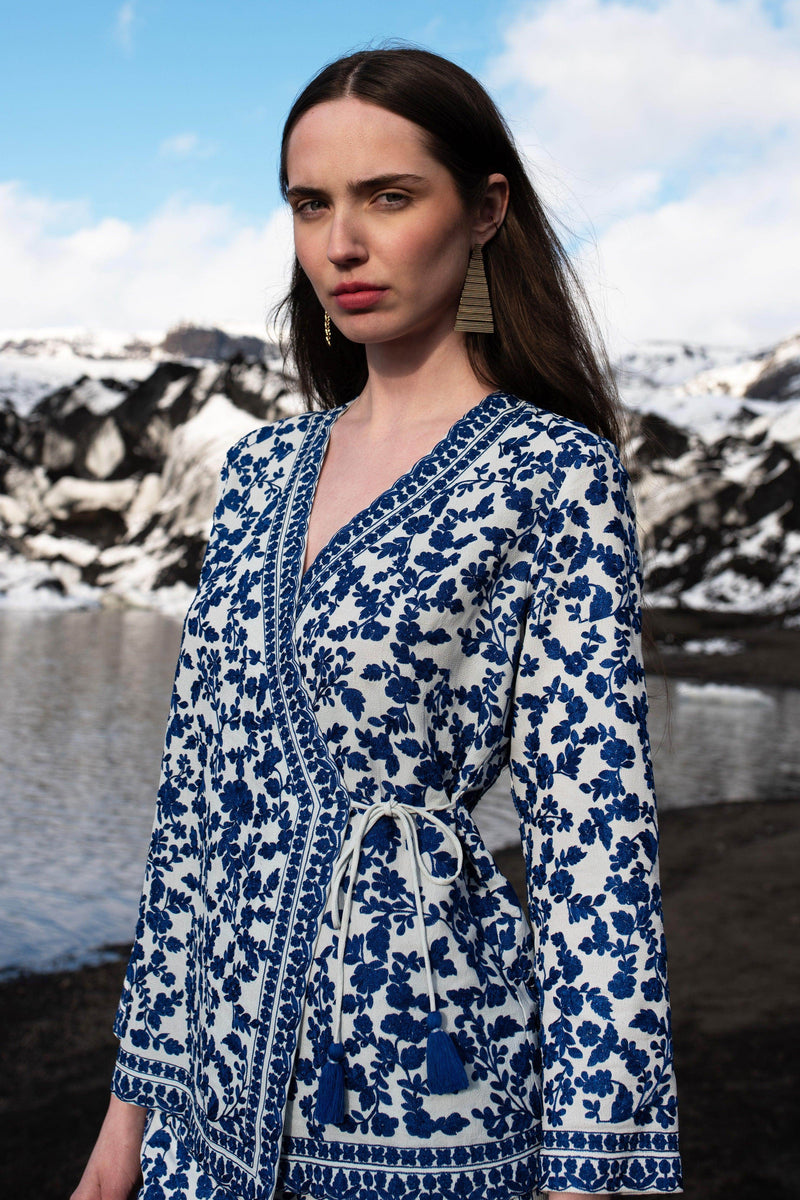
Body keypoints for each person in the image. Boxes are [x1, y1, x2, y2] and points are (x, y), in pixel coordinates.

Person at [72, 45, 681, 1200]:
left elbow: (593, 849)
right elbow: (193, 809)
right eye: (311, 205)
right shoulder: (258, 473)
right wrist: (122, 1129)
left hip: (426, 1094)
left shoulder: (549, 474)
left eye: (387, 197)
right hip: (208, 1115)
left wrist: (590, 1171)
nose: (340, 244)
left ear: (484, 210)